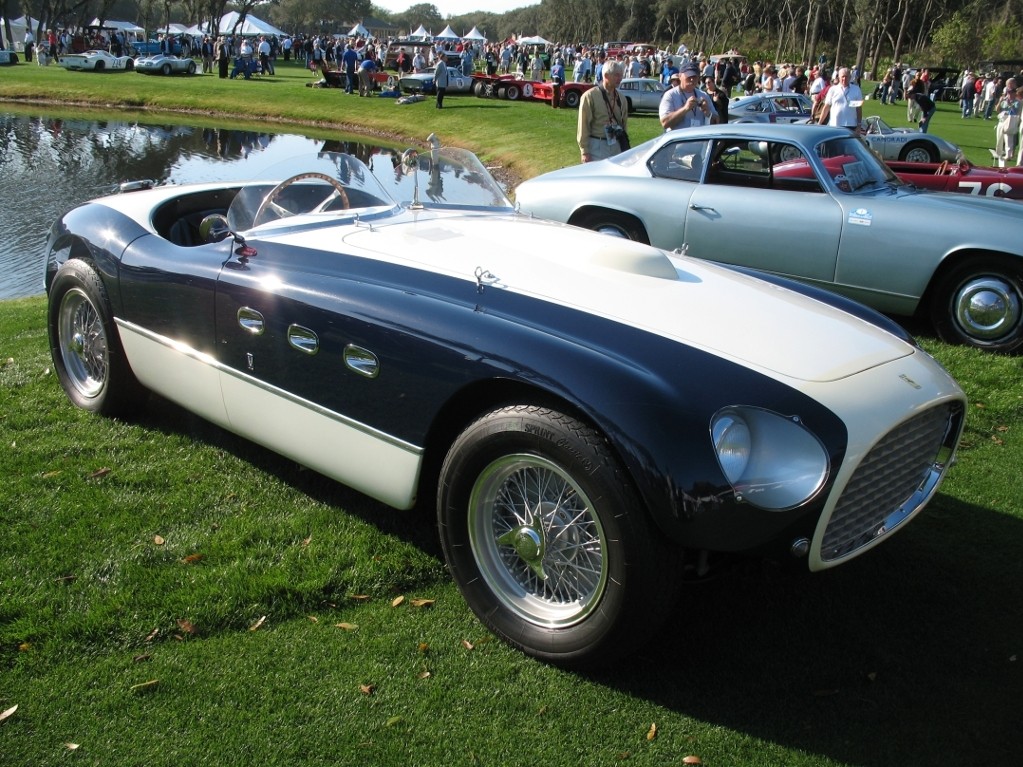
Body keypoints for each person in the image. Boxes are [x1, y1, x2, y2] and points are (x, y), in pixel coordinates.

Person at [577, 60, 628, 163]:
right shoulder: (590, 96)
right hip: (597, 146)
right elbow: (583, 125)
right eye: (616, 75)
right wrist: (585, 151)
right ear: (606, 75)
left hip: (616, 146)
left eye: (621, 75)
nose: (620, 78)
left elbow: (624, 125)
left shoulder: (622, 98)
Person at [659, 64, 717, 131]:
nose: (692, 79)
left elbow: (717, 122)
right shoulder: (670, 95)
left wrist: (708, 112)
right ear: (680, 76)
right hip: (679, 140)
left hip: (700, 139)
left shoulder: (703, 95)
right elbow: (665, 123)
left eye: (694, 76)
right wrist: (685, 109)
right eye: (689, 76)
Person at [995, 79, 1020, 166]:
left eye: (1010, 93)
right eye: (1008, 92)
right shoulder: (1004, 100)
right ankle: (999, 154)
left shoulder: (1017, 102)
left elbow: (1016, 112)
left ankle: (1008, 155)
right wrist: (1000, 102)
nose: (1008, 94)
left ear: (1014, 93)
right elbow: (997, 110)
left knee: (1009, 139)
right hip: (1002, 120)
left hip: (1010, 121)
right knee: (999, 138)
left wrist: (1010, 104)